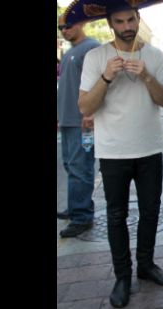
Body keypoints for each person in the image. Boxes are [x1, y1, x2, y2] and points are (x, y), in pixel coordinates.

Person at [73, 0, 163, 308]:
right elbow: (86, 108)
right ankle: (122, 276)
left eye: (132, 20)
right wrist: (106, 77)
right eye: (120, 21)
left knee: (150, 212)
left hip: (149, 148)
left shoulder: (155, 56)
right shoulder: (96, 58)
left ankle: (146, 265)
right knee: (116, 215)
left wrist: (147, 76)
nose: (127, 27)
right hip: (113, 151)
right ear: (110, 24)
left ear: (139, 20)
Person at [57, 15, 100, 237]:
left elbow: (99, 83)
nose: (64, 30)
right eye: (60, 27)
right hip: (67, 120)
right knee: (70, 165)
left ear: (81, 23)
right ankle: (76, 206)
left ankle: (82, 216)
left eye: (68, 25)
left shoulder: (91, 48)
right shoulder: (70, 52)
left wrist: (91, 113)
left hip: (82, 122)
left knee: (80, 167)